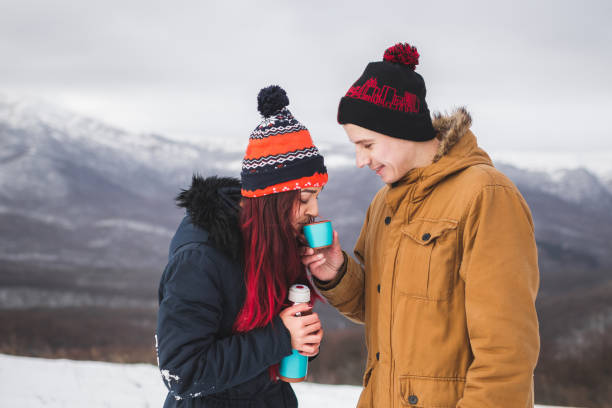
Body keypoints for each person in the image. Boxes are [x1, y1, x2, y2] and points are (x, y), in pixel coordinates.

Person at [301, 43, 540, 407]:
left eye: (367, 144)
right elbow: (386, 309)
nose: (360, 161)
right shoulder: (385, 203)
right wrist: (337, 273)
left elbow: (506, 352)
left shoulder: (485, 195)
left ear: (400, 130)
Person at [157, 85, 327, 407]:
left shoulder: (277, 243)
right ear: (274, 201)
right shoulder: (200, 260)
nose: (315, 210)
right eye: (305, 198)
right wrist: (280, 336)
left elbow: (267, 343)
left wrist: (301, 338)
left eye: (317, 197)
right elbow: (182, 371)